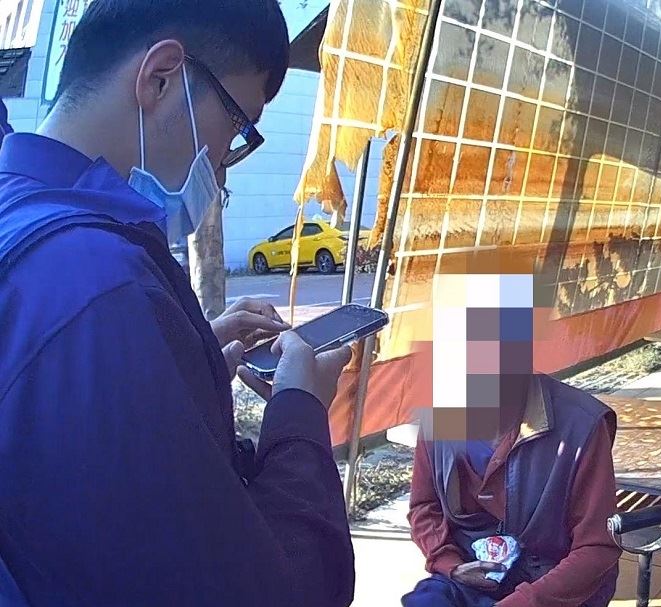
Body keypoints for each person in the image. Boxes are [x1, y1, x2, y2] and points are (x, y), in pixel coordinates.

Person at [0, 2, 355, 605]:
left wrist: (179, 358)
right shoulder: (103, 288)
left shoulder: (29, 221)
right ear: (161, 77)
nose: (222, 172)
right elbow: (268, 590)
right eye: (237, 127)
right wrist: (299, 406)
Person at [402, 270, 621, 607]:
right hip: (470, 575)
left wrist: (524, 601)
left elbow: (597, 547)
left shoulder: (581, 426)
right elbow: (424, 507)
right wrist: (451, 565)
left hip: (551, 585)